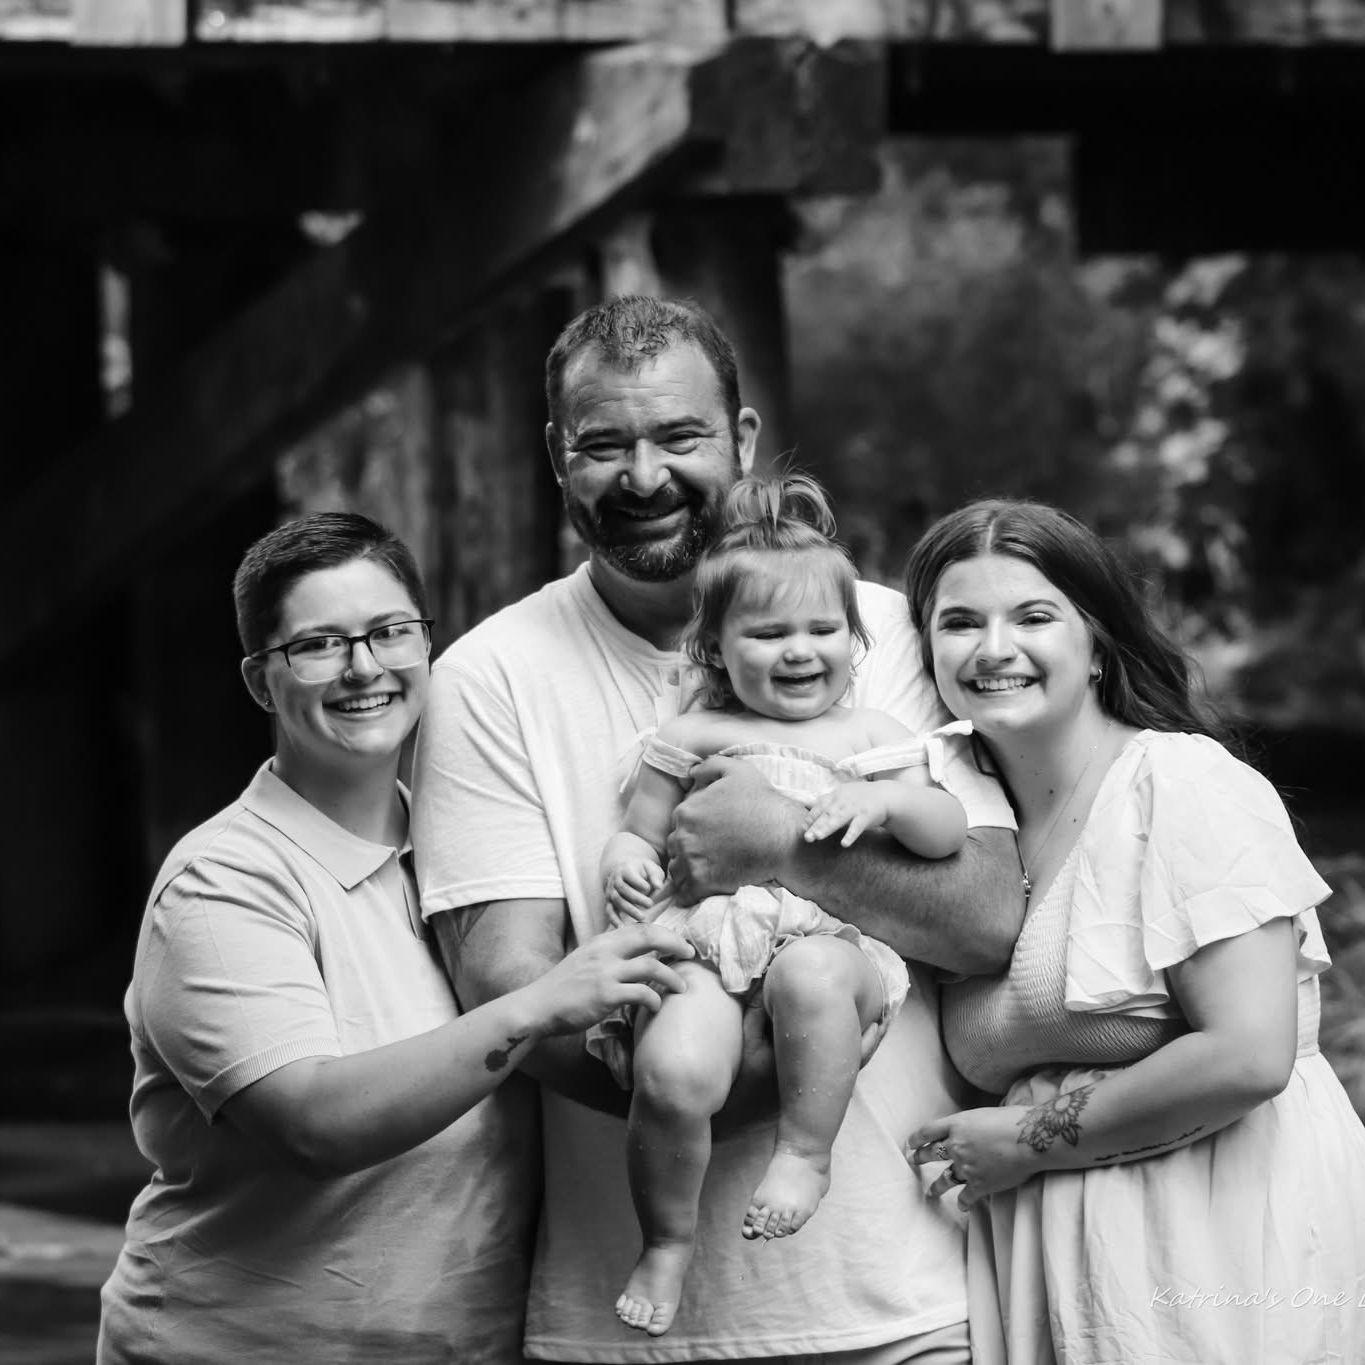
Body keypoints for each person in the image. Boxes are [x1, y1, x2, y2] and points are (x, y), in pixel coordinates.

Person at [412, 295, 1022, 1363]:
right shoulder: (490, 677)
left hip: (898, 1303)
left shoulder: (881, 632)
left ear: (741, 438)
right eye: (604, 444)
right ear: (557, 456)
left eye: (679, 436)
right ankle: (673, 1235)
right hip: (616, 1330)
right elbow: (509, 987)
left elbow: (986, 920)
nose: (644, 476)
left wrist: (781, 846)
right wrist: (689, 1083)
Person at [97, 512, 694, 1365]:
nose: (363, 667)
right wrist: (533, 1005)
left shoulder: (473, 858)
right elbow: (312, 1123)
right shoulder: (221, 882)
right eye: (318, 644)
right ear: (261, 681)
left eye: (390, 632)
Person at [901, 499, 1365, 1365]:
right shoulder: (956, 828)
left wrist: (1023, 1140)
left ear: (1096, 642)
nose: (993, 648)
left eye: (1032, 616)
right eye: (959, 622)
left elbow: (1248, 1053)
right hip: (1054, 1265)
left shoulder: (1180, 783)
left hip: (1213, 1238)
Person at [600, 472, 971, 1334]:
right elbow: (640, 830)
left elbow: (945, 830)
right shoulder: (693, 734)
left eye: (821, 629)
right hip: (707, 938)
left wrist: (886, 802)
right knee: (672, 1071)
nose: (798, 650)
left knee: (810, 977)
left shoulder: (870, 737)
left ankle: (805, 1152)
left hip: (829, 940)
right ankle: (666, 1240)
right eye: (767, 633)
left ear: (853, 637)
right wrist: (625, 858)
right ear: (715, 647)